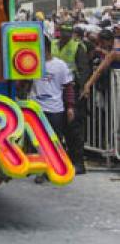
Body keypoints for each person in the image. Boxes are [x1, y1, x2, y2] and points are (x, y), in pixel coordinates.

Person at [31, 35, 76, 182]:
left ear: (45, 48)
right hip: (37, 109)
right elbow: (23, 83)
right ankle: (43, 171)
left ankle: (56, 167)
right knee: (40, 142)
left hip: (55, 109)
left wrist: (70, 107)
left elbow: (68, 86)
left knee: (55, 140)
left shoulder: (60, 65)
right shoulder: (32, 63)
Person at [52, 21, 89, 174]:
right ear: (59, 31)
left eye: (69, 32)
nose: (66, 35)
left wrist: (82, 89)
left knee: (74, 128)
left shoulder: (77, 47)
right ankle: (60, 161)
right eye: (63, 32)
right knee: (57, 127)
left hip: (73, 90)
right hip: (55, 90)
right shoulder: (52, 44)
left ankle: (78, 162)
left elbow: (84, 70)